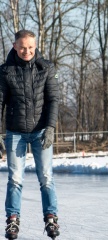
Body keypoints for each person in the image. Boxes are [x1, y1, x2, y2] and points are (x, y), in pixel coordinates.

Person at [0, 30, 60, 239]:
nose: (27, 51)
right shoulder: (5, 70)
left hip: (41, 131)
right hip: (15, 132)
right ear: (15, 46)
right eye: (23, 47)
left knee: (46, 177)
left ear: (36, 47)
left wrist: (50, 127)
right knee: (15, 179)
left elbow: (53, 100)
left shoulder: (47, 68)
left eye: (31, 47)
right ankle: (12, 221)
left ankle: (51, 218)